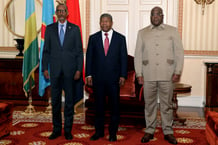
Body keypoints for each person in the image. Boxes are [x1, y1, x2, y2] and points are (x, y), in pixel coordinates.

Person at [134, 6, 184, 144]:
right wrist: (139, 73)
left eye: (158, 15)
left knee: (166, 105)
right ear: (150, 17)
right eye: (152, 15)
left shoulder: (172, 31)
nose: (155, 17)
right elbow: (138, 55)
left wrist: (177, 71)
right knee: (149, 105)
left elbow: (179, 52)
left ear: (162, 16)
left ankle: (168, 131)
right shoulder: (142, 33)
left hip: (167, 75)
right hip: (148, 74)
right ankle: (149, 130)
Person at [42, 3, 83, 140]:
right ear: (56, 13)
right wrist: (44, 68)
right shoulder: (49, 29)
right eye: (58, 11)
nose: (60, 13)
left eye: (63, 11)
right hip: (54, 71)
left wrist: (79, 69)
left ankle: (68, 130)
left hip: (70, 71)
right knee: (55, 102)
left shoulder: (75, 29)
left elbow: (78, 52)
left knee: (69, 102)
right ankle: (56, 129)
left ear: (67, 13)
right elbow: (46, 51)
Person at [86, 13, 128, 142]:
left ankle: (113, 133)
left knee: (114, 108)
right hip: (98, 80)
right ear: (100, 23)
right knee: (99, 107)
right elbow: (89, 58)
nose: (104, 23)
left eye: (107, 21)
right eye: (102, 21)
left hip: (114, 80)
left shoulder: (120, 38)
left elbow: (123, 59)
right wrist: (88, 74)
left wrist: (123, 75)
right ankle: (98, 132)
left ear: (111, 23)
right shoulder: (93, 38)